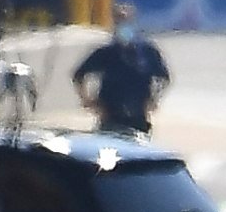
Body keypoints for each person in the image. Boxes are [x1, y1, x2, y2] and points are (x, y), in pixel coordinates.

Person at [73, 7, 170, 137]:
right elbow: (79, 75)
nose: (123, 27)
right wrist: (88, 100)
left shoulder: (147, 52)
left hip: (138, 116)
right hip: (110, 116)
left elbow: (163, 78)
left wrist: (153, 100)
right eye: (119, 22)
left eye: (127, 22)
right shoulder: (106, 53)